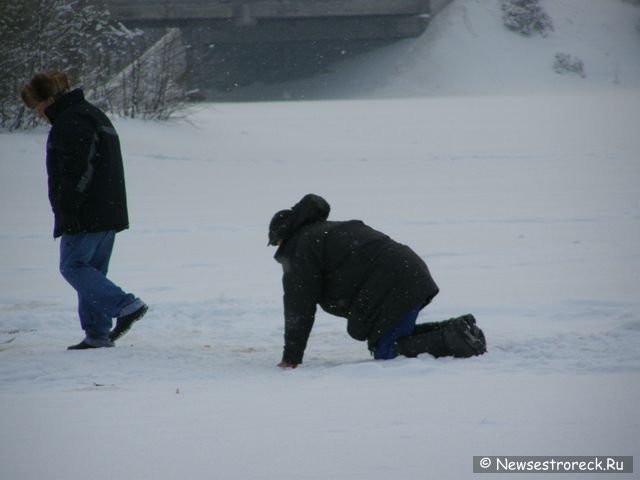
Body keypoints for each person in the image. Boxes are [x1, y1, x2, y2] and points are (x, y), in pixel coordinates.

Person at [268, 194, 486, 368]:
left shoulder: (301, 247)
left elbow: (299, 306)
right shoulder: (324, 232)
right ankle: (458, 331)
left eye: (277, 244)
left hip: (396, 282)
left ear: (283, 238)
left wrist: (291, 357)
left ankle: (458, 337)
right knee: (389, 339)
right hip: (409, 273)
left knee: (388, 352)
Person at [21, 70, 148, 350]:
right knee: (92, 271)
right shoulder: (89, 114)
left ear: (50, 99)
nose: (39, 114)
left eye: (39, 107)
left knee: (73, 266)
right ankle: (97, 334)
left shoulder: (71, 121)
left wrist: (67, 208)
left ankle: (125, 305)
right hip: (108, 209)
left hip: (86, 212)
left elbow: (77, 170)